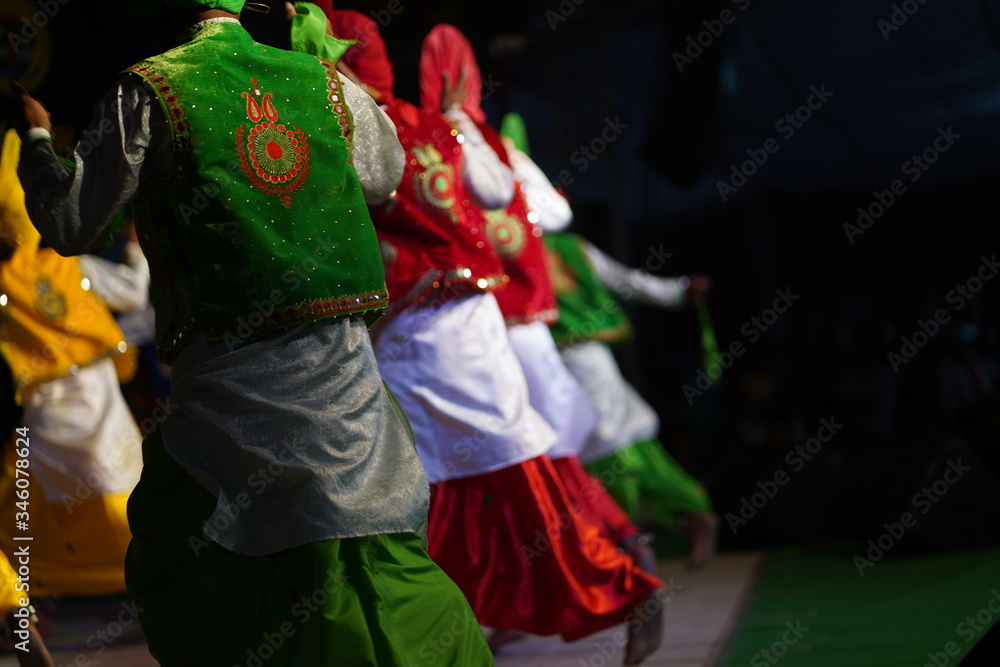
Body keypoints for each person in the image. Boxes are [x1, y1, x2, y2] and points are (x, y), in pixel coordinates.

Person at [14, 3, 492, 665]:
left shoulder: (150, 88)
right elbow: (384, 176)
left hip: (225, 372)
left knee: (209, 545)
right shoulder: (322, 81)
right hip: (341, 366)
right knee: (362, 532)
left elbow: (68, 223)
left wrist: (38, 145)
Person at [314, 13, 664, 664]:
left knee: (506, 477)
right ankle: (464, 622)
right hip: (440, 328)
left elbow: (509, 197)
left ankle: (618, 583)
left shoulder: (352, 130)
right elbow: (493, 191)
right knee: (444, 485)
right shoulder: (428, 126)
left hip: (439, 331)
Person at [501, 112, 721, 569]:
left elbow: (625, 281)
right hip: (548, 362)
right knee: (624, 441)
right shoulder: (511, 246)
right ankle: (681, 518)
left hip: (579, 359)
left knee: (601, 444)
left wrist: (679, 290)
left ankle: (625, 539)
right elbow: (628, 282)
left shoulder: (559, 248)